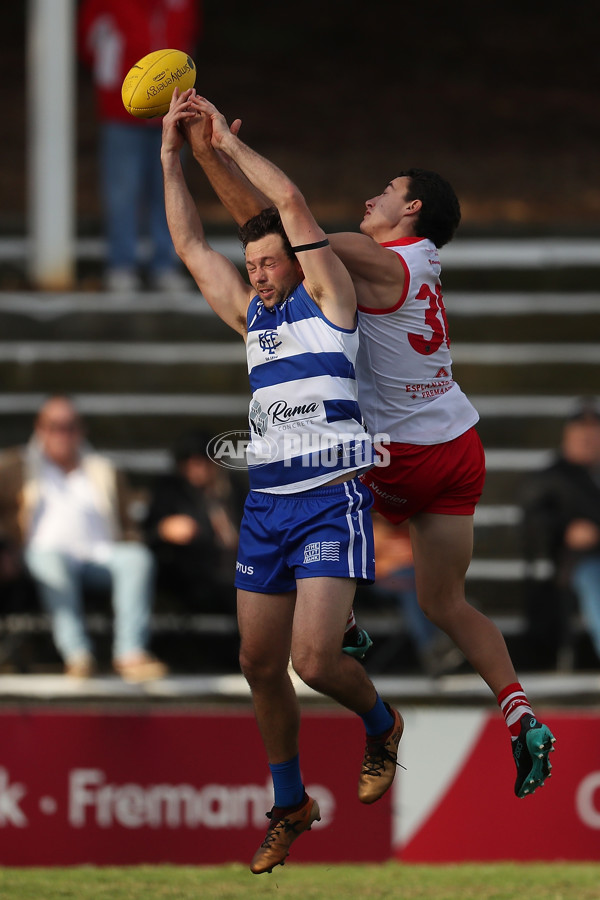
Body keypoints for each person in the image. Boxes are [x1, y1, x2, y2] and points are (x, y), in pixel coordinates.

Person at [182, 104, 556, 800]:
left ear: (410, 207)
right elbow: (276, 235)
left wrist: (223, 149)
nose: (370, 198)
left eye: (385, 190)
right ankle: (520, 713)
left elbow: (278, 229)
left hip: (396, 456)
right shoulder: (423, 260)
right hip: (458, 445)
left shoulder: (371, 255)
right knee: (446, 601)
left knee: (320, 496)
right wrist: (211, 160)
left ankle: (344, 627)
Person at [161, 89, 403, 875]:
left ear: (296, 265)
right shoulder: (255, 321)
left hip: (332, 496)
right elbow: (193, 247)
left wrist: (223, 148)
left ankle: (382, 724)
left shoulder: (330, 305)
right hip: (267, 505)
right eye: (253, 265)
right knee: (259, 664)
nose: (258, 274)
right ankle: (290, 804)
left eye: (269, 263)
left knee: (315, 659)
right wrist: (172, 158)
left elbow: (290, 202)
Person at [0, 395, 167, 682]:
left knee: (137, 559)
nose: (63, 434)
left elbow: (129, 520)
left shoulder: (103, 469)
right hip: (40, 555)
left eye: (70, 426)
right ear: (39, 429)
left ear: (82, 429)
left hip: (99, 556)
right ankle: (77, 655)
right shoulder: (14, 466)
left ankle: (130, 654)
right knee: (50, 559)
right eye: (54, 426)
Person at [78, 0, 201, 292]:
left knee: (170, 190)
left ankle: (165, 265)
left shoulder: (181, 4)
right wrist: (121, 88)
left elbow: (188, 41)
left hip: (171, 113)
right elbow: (89, 44)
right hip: (122, 113)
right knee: (122, 192)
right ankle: (122, 266)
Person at [520, 398, 600, 667]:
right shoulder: (551, 476)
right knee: (593, 579)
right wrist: (565, 530)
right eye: (582, 432)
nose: (588, 438)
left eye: (594, 432)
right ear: (568, 435)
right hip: (574, 561)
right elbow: (534, 518)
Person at [143, 429, 240, 612]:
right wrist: (163, 530)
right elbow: (149, 534)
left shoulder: (232, 489)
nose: (197, 468)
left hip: (233, 571)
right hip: (190, 574)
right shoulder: (170, 491)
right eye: (190, 462)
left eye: (204, 461)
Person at [366, 514, 464, 677]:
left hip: (416, 577)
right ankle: (434, 648)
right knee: (415, 593)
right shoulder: (370, 529)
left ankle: (433, 649)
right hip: (386, 582)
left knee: (420, 590)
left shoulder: (414, 530)